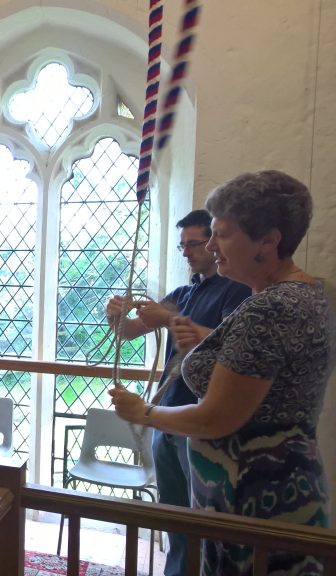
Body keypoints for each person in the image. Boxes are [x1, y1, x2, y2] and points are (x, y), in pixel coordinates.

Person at [110, 171, 332, 575]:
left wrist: (141, 413)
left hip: (252, 494)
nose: (211, 247)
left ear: (269, 239)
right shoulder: (309, 293)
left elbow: (217, 417)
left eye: (221, 235)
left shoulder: (270, 307)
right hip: (278, 484)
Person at [104, 209, 250, 576]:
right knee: (174, 520)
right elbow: (130, 332)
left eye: (194, 244)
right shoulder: (183, 293)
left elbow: (231, 345)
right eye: (182, 245)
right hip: (166, 414)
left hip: (202, 419)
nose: (186, 252)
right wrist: (115, 315)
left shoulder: (239, 292)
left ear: (214, 242)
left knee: (201, 521)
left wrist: (168, 319)